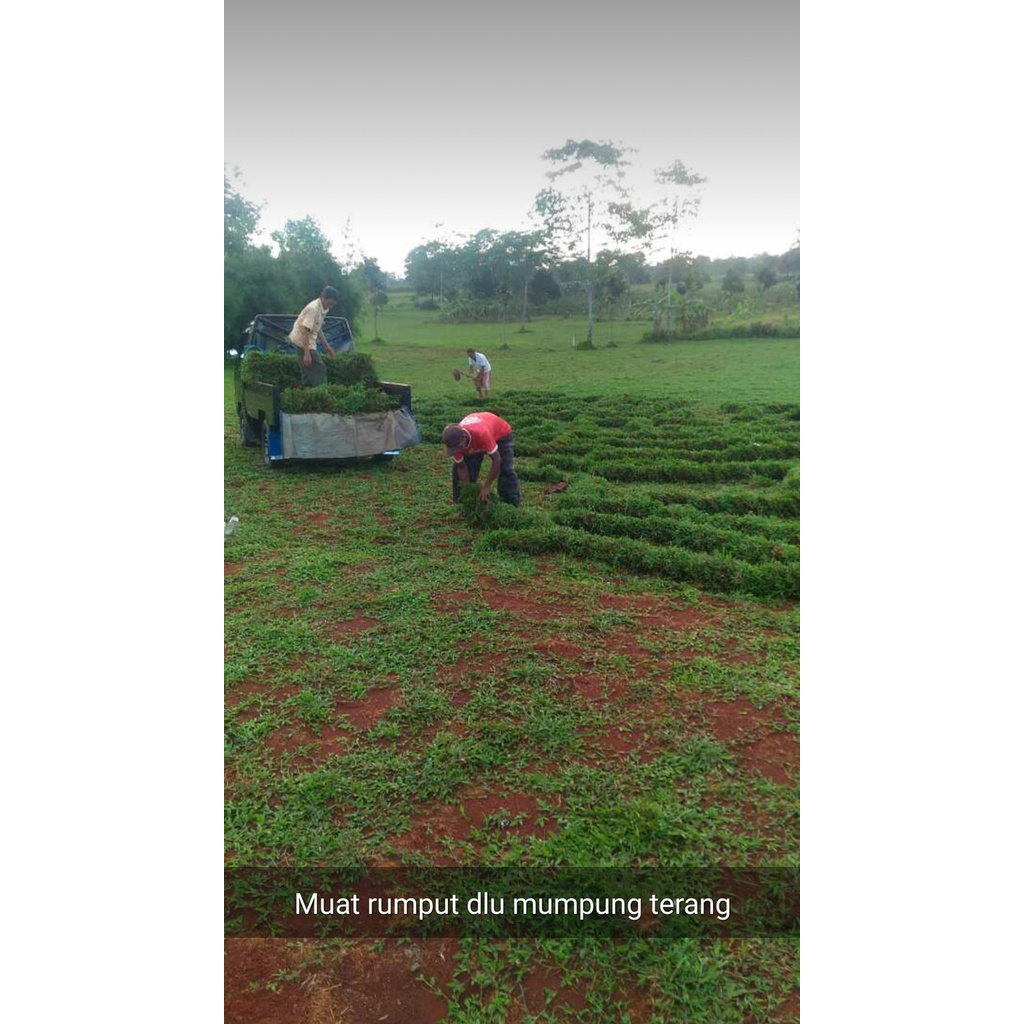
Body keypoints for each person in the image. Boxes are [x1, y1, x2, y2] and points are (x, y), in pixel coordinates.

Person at [443, 412, 520, 505]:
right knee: (465, 470)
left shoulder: (481, 434)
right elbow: (461, 466)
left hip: (500, 433)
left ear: (464, 438)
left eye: (458, 447)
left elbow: (496, 459)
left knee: (506, 469)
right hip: (476, 437)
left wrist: (487, 486)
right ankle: (462, 503)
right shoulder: (455, 443)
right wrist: (467, 488)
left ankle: (511, 503)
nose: (456, 450)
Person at [289, 286, 339, 387]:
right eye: (329, 303)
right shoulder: (313, 309)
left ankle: (306, 392)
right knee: (319, 367)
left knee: (307, 369)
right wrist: (307, 353)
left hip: (308, 339)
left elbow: (318, 328)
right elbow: (305, 331)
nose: (330, 307)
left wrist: (327, 347)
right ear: (323, 298)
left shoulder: (324, 308)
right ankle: (321, 393)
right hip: (301, 339)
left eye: (332, 305)